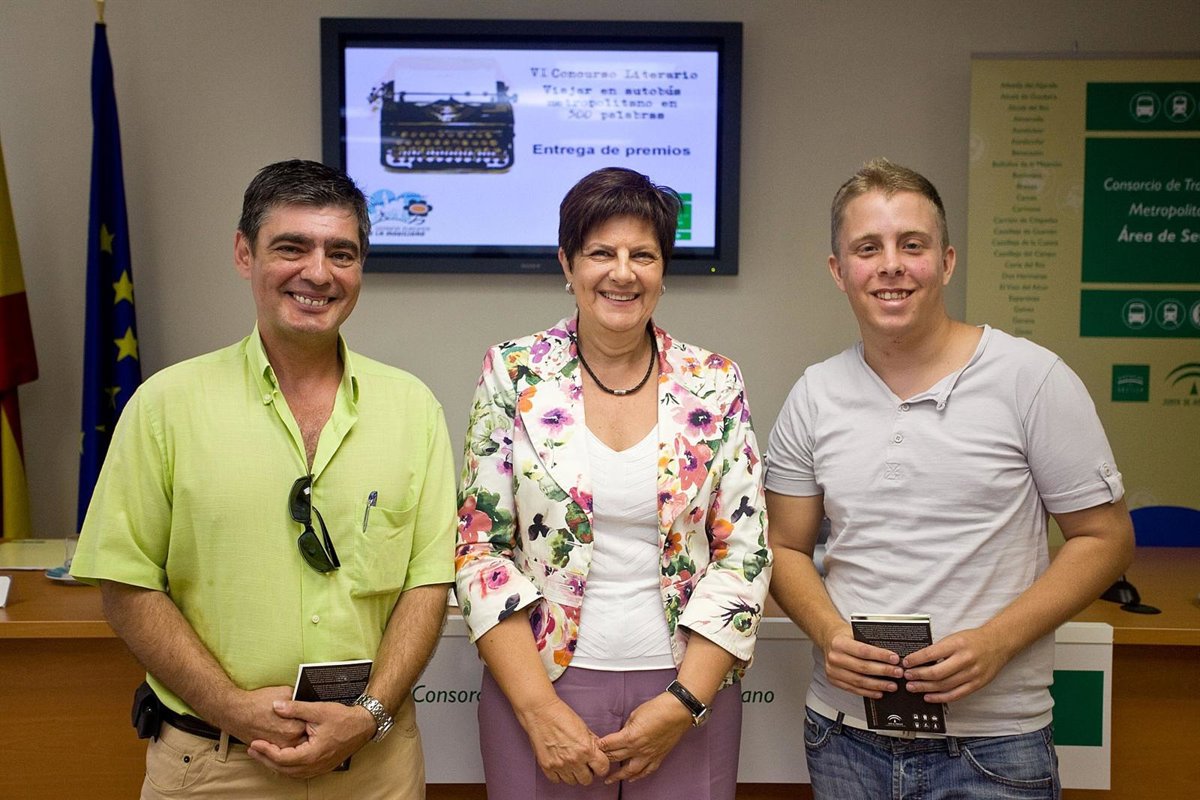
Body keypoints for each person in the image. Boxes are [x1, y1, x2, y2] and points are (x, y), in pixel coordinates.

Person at [70, 159, 456, 799]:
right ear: (244, 254)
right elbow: (126, 584)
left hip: (375, 767)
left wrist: (368, 714)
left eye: (341, 253)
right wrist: (230, 706)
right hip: (217, 765)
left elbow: (428, 582)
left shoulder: (413, 409)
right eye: (291, 247)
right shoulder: (165, 406)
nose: (318, 273)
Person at [765, 158, 1134, 799]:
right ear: (838, 270)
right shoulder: (814, 394)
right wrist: (828, 633)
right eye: (867, 248)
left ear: (946, 261)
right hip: (844, 737)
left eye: (913, 245)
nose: (891, 265)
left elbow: (1106, 539)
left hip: (995, 744)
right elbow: (784, 546)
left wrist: (996, 642)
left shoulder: (1032, 379)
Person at [455, 167, 771, 799]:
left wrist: (683, 702)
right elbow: (480, 547)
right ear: (567, 263)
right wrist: (539, 710)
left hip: (687, 685)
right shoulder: (514, 372)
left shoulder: (714, 381)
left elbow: (745, 552)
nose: (622, 273)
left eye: (642, 256)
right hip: (541, 684)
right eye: (601, 252)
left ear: (663, 269)